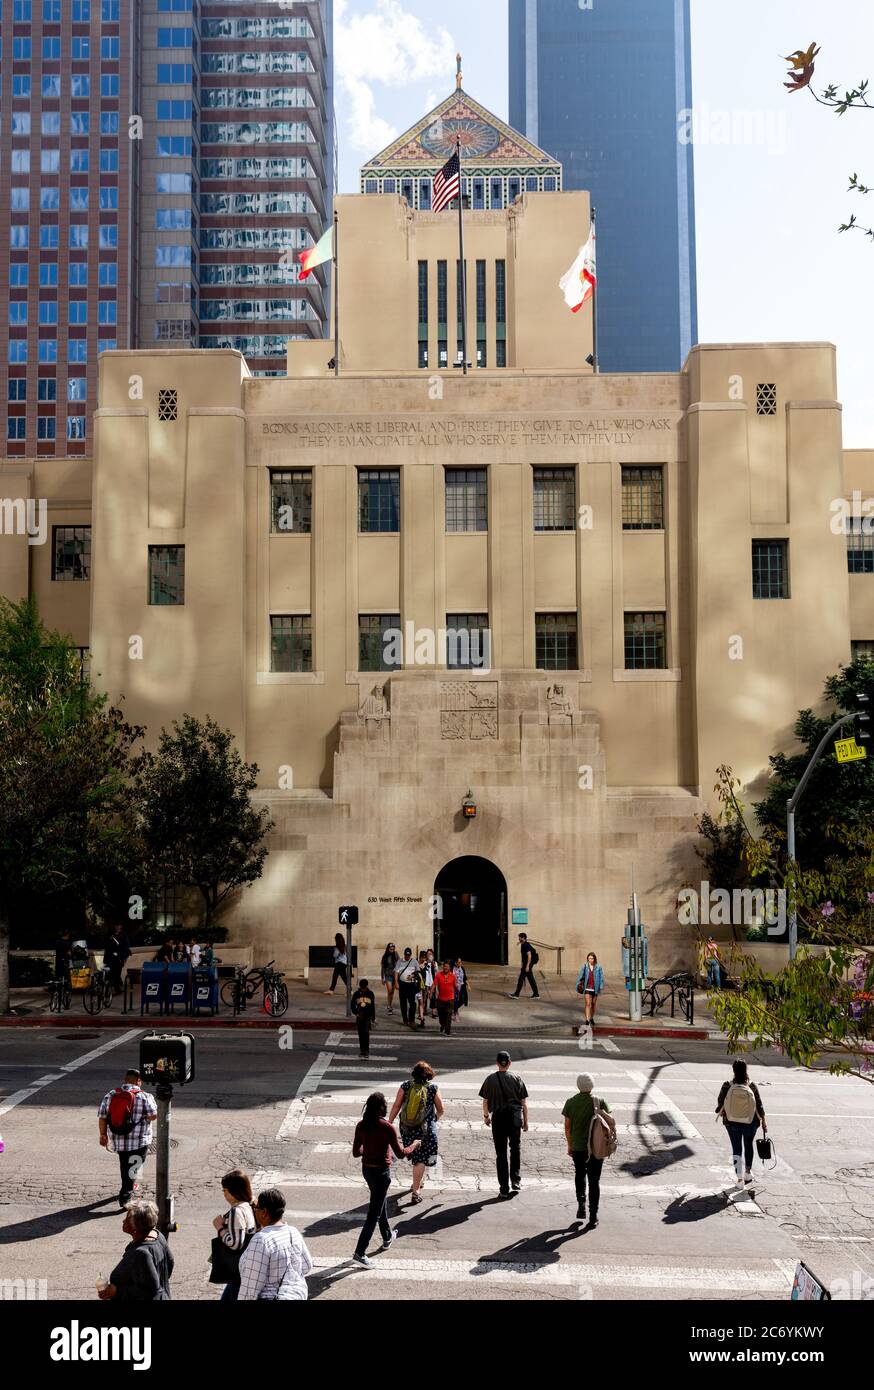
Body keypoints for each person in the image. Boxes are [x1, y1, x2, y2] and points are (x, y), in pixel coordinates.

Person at [351, 1093, 421, 1269]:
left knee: (379, 1202)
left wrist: (368, 1146)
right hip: (381, 1173)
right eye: (385, 1104)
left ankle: (388, 1237)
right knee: (373, 1213)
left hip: (367, 1170)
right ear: (382, 1107)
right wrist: (414, 1145)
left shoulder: (361, 1125)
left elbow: (356, 1152)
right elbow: (400, 1153)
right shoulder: (387, 1127)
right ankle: (360, 1252)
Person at [98, 1068, 159, 1209]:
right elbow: (153, 1116)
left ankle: (129, 1184)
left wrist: (103, 1135)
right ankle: (125, 1196)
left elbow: (103, 1117)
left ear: (125, 1080)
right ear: (139, 1081)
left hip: (118, 1138)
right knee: (135, 1165)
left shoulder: (111, 1095)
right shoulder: (144, 1096)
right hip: (138, 1140)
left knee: (125, 1165)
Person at [238, 1188, 313, 1301]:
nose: (255, 1211)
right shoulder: (293, 1232)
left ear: (265, 1212)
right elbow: (307, 1266)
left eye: (256, 1208)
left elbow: (250, 1287)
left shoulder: (261, 1240)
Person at [389, 1061, 444, 1204]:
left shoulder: (406, 1086)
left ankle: (417, 1183)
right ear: (429, 1074)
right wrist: (433, 1120)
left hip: (408, 1128)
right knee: (421, 1160)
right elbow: (441, 1109)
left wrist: (389, 1122)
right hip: (427, 1129)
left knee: (418, 1159)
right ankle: (416, 1191)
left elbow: (396, 1105)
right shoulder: (433, 1088)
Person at [98, 1201, 173, 1301]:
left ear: (135, 1229)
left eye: (127, 1219)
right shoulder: (157, 1235)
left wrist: (117, 1292)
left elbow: (150, 1292)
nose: (123, 1221)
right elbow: (170, 1262)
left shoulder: (141, 1253)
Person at [562, 1072, 611, 1227]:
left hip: (578, 1147)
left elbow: (567, 1126)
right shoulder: (600, 1101)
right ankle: (593, 1216)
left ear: (578, 1086)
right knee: (594, 1180)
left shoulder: (570, 1102)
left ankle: (581, 1205)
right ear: (592, 1085)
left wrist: (569, 1144)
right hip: (596, 1148)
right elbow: (608, 1123)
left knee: (580, 1174)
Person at [479, 1051, 529, 1198]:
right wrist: (525, 1122)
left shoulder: (490, 1079)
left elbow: (485, 1101)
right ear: (510, 1063)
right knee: (515, 1148)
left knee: (501, 1154)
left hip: (498, 1119)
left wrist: (486, 1116)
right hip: (514, 1118)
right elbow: (524, 1103)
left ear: (496, 1063)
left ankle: (504, 1189)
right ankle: (516, 1180)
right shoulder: (517, 1078)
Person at [716, 1059, 767, 1186]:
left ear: (733, 1070)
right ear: (746, 1070)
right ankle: (748, 1173)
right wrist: (764, 1122)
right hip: (750, 1123)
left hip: (731, 1123)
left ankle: (739, 1179)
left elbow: (720, 1104)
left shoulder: (727, 1085)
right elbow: (759, 1106)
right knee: (748, 1146)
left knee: (736, 1149)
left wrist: (722, 1110)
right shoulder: (752, 1086)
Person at [211, 1169, 256, 1302]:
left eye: (225, 1190)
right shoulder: (248, 1206)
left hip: (237, 1269)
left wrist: (220, 1228)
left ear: (234, 1191)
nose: (224, 1194)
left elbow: (235, 1243)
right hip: (243, 1268)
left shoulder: (237, 1211)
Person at [576, 952, 604, 1031]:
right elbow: (580, 977)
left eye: (591, 958)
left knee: (593, 1004)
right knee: (588, 1004)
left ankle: (591, 1017)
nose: (590, 960)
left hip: (595, 988)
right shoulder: (585, 966)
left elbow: (601, 978)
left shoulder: (598, 967)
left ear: (594, 959)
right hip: (587, 988)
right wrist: (577, 986)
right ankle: (587, 1020)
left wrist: (600, 987)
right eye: (589, 958)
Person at [508, 932, 540, 999]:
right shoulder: (524, 944)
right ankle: (536, 994)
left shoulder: (526, 945)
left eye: (519, 937)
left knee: (521, 979)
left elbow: (529, 955)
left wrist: (527, 966)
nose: (518, 939)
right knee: (531, 979)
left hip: (528, 964)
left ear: (523, 938)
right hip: (527, 964)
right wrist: (519, 943)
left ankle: (516, 995)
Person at [351, 978, 377, 1058]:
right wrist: (356, 1013)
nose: (363, 988)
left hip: (367, 1017)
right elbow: (352, 1005)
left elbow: (372, 1006)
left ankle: (366, 1051)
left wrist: (373, 1017)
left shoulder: (370, 993)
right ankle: (362, 1050)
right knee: (361, 1034)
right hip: (359, 1017)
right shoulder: (356, 994)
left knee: (366, 1034)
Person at [394, 948, 420, 1027]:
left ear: (410, 955)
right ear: (404, 954)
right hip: (402, 984)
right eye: (406, 955)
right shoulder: (400, 961)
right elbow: (396, 972)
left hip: (411, 984)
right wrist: (396, 983)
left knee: (412, 1003)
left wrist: (413, 975)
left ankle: (411, 1020)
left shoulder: (414, 961)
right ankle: (405, 1019)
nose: (407, 956)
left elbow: (418, 972)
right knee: (403, 1003)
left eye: (408, 955)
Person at [104, 924, 131, 994]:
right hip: (110, 958)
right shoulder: (110, 935)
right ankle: (107, 990)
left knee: (117, 974)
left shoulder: (123, 935)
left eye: (119, 926)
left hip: (119, 958)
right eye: (116, 926)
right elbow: (106, 946)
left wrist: (123, 958)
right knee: (109, 975)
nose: (117, 928)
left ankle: (117, 989)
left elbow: (126, 946)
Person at [433, 960, 457, 1035]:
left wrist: (457, 994)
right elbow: (434, 984)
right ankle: (443, 1025)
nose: (446, 968)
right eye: (444, 966)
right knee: (441, 1015)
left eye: (447, 966)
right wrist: (431, 992)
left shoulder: (453, 976)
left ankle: (447, 1031)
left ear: (450, 968)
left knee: (448, 1014)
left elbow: (455, 986)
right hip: (440, 999)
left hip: (450, 998)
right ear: (443, 967)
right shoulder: (438, 975)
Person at [380, 943, 399, 1013]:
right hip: (388, 975)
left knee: (392, 992)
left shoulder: (396, 954)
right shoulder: (385, 957)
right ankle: (390, 1006)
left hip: (395, 975)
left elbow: (399, 963)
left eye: (393, 949)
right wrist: (382, 978)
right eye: (391, 949)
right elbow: (383, 968)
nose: (392, 950)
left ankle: (389, 1004)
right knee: (390, 990)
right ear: (388, 949)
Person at [416, 951, 432, 1028]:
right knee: (420, 1001)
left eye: (424, 957)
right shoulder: (416, 964)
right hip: (418, 985)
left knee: (424, 1001)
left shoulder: (427, 964)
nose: (423, 958)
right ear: (420, 957)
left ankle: (420, 1014)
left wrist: (429, 986)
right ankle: (421, 1015)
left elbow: (429, 975)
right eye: (422, 957)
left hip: (425, 985)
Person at [425, 948, 438, 1017]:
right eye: (428, 954)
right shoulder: (424, 962)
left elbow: (436, 971)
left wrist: (433, 964)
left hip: (432, 982)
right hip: (426, 982)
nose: (429, 955)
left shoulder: (434, 963)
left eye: (430, 954)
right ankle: (424, 1010)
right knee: (425, 996)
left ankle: (433, 1012)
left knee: (433, 997)